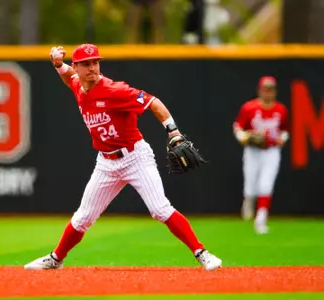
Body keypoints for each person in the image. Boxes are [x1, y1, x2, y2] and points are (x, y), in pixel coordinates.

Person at [24, 44, 222, 271]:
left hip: (135, 157)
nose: (92, 67)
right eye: (86, 64)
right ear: (77, 66)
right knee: (82, 218)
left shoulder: (114, 90)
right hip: (106, 163)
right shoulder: (79, 85)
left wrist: (173, 131)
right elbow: (69, 77)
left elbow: (153, 102)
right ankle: (56, 259)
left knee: (160, 209)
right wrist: (59, 64)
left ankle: (202, 253)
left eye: (95, 62)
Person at [233, 76, 289, 234]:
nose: (268, 92)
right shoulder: (249, 108)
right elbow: (238, 127)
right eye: (265, 89)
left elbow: (285, 130)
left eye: (270, 89)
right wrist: (243, 137)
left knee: (266, 184)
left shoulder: (281, 110)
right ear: (259, 90)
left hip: (271, 151)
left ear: (275, 92)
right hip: (253, 150)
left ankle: (261, 218)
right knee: (251, 186)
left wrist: (282, 139)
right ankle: (249, 200)